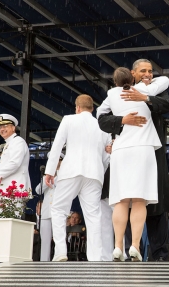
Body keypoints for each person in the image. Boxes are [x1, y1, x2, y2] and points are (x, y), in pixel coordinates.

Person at [98, 59, 169, 261]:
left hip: (128, 151)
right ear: (133, 74)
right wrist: (122, 120)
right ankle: (135, 247)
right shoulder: (149, 88)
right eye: (143, 71)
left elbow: (167, 105)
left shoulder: (114, 93)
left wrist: (145, 98)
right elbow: (103, 119)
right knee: (139, 200)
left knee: (126, 202)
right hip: (143, 149)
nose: (148, 74)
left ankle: (123, 248)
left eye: (150, 71)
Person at [45, 94, 110, 262]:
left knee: (59, 209)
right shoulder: (102, 125)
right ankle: (95, 257)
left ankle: (60, 252)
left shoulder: (68, 120)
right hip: (94, 174)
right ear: (92, 109)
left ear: (77, 108)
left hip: (70, 171)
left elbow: (57, 145)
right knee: (93, 216)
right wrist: (99, 171)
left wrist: (50, 171)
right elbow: (106, 156)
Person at [0, 114, 31, 189]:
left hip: (15, 187)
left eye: (5, 126)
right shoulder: (10, 142)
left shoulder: (18, 141)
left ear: (13, 128)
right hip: (9, 187)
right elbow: (7, 164)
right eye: (0, 127)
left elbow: (15, 163)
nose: (2, 129)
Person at [35, 152, 64, 261]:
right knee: (45, 241)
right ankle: (44, 263)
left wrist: (56, 175)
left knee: (58, 239)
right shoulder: (47, 175)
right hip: (46, 212)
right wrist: (46, 178)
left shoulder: (64, 175)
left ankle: (58, 261)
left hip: (59, 210)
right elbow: (38, 190)